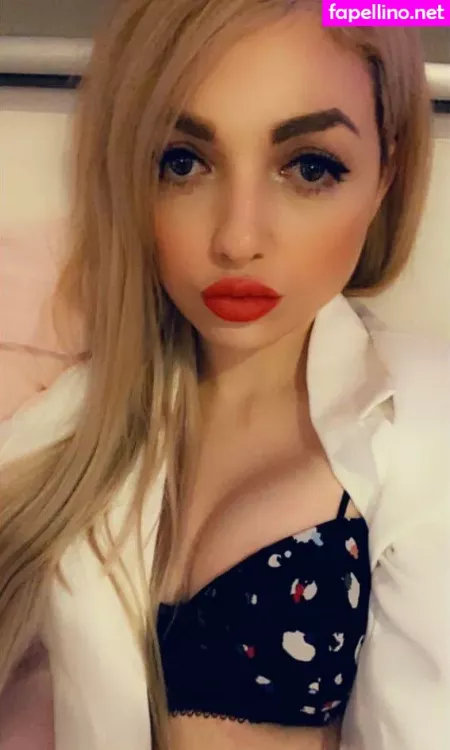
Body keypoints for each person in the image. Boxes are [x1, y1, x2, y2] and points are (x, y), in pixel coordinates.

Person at [0, 1, 449, 749]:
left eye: (310, 167)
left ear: (385, 176)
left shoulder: (426, 422)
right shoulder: (74, 422)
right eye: (183, 162)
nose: (238, 238)